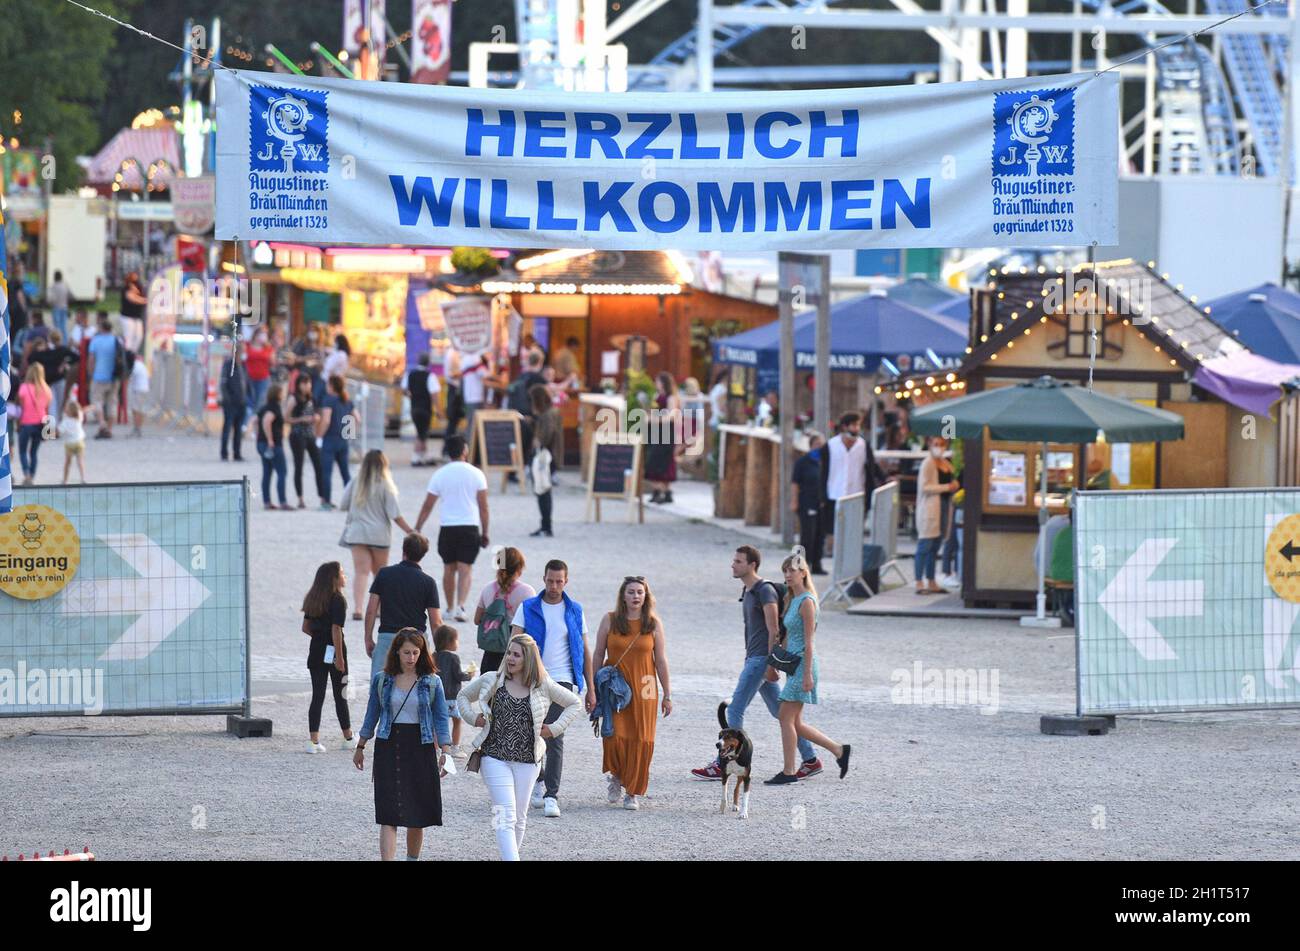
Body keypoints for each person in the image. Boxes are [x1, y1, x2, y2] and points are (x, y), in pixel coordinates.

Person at [690, 546, 822, 781]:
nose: (733, 564)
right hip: (755, 657)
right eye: (734, 560)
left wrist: (771, 665)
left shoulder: (765, 591)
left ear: (752, 565)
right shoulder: (748, 591)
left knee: (735, 708)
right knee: (781, 713)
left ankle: (727, 761)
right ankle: (810, 760)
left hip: (761, 659)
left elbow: (774, 629)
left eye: (738, 561)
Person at [456, 634, 581, 861]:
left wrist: (554, 728)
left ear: (529, 659)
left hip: (528, 761)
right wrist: (473, 718)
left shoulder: (543, 685)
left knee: (520, 818)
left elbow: (574, 702)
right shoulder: (492, 679)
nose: (510, 658)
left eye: (516, 654)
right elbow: (463, 696)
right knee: (504, 814)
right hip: (493, 757)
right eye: (509, 653)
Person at [353, 629, 452, 861]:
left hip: (421, 746)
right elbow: (372, 714)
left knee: (417, 813)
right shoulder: (382, 679)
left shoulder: (432, 681)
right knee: (389, 812)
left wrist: (446, 751)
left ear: (423, 652)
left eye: (416, 652)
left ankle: (412, 859)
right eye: (406, 652)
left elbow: (440, 718)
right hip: (389, 745)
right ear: (397, 651)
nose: (411, 657)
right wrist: (360, 746)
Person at [509, 559, 595, 818]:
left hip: (563, 679)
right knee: (528, 733)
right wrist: (509, 676)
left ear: (566, 581)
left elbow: (584, 650)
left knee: (555, 736)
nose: (554, 585)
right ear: (543, 579)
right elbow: (513, 642)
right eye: (550, 580)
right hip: (531, 678)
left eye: (559, 581)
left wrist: (590, 687)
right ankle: (538, 780)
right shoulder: (528, 607)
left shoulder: (575, 610)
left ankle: (551, 795)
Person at [764, 547, 851, 785]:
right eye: (785, 571)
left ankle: (789, 770)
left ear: (803, 572)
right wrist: (774, 660)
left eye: (792, 570)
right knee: (795, 721)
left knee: (784, 717)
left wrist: (807, 675)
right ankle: (839, 750)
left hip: (804, 665)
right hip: (793, 664)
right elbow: (787, 635)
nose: (788, 575)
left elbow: (810, 641)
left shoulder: (807, 602)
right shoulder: (791, 599)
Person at [592, 576, 672, 811]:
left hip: (646, 686)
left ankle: (632, 791)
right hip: (615, 686)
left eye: (640, 592)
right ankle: (616, 775)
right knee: (613, 735)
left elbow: (661, 660)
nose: (636, 596)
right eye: (631, 592)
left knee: (641, 739)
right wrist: (593, 686)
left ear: (646, 596)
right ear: (623, 595)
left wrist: (667, 694)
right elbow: (598, 653)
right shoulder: (610, 620)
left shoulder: (653, 623)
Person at [414, 434, 489, 623]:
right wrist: (485, 531)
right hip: (470, 526)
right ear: (465, 450)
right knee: (466, 568)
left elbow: (428, 504)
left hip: (448, 526)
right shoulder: (477, 474)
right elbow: (483, 506)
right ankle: (461, 606)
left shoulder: (440, 474)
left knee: (449, 568)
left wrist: (418, 527)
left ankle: (448, 607)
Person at [341, 449, 415, 619]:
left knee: (361, 572)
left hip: (357, 532)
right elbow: (395, 514)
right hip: (379, 534)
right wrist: (410, 531)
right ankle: (379, 609)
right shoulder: (385, 484)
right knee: (380, 574)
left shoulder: (355, 482)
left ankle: (358, 609)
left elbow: (343, 504)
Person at [365, 531, 443, 681]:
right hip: (416, 642)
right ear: (422, 555)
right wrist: (440, 650)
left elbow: (371, 610)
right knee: (418, 686)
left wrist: (368, 638)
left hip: (387, 637)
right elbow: (436, 622)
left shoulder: (384, 574)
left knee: (379, 687)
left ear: (404, 551)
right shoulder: (428, 582)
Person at [301, 561, 355, 754]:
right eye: (342, 573)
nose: (344, 576)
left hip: (316, 650)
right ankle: (348, 736)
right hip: (334, 651)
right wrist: (339, 658)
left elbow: (306, 628)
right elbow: (336, 630)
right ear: (334, 578)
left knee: (318, 695)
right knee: (341, 695)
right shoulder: (338, 600)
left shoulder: (313, 598)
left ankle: (313, 740)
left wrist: (319, 638)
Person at [820, 412, 887, 560]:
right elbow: (823, 471)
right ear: (845, 426)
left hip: (857, 495)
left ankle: (850, 559)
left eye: (858, 425)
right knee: (834, 530)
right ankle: (836, 557)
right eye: (854, 425)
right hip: (834, 494)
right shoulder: (830, 446)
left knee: (854, 531)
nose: (857, 428)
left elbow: (872, 467)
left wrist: (884, 479)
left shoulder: (863, 446)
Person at [473, 546, 535, 673]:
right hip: (515, 649)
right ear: (519, 567)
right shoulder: (526, 591)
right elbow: (533, 624)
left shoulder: (488, 588)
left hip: (491, 648)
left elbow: (477, 619)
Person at [915, 436, 959, 595]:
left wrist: (954, 486)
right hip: (930, 508)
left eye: (941, 444)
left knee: (935, 547)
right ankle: (919, 581)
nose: (938, 447)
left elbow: (953, 478)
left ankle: (931, 580)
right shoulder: (927, 464)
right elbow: (925, 487)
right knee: (924, 545)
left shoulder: (946, 464)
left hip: (944, 506)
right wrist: (947, 487)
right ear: (929, 445)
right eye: (935, 444)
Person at [528, 383, 562, 537]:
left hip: (545, 458)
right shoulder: (551, 412)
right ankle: (545, 525)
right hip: (550, 457)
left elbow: (546, 435)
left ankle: (546, 526)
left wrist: (537, 441)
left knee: (543, 492)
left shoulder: (547, 415)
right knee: (544, 492)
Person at [317, 374, 355, 510]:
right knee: (345, 472)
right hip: (343, 440)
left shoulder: (329, 400)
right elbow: (356, 418)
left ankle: (326, 501)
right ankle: (352, 501)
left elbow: (326, 420)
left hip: (330, 439)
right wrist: (348, 433)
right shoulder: (347, 400)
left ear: (332, 386)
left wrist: (319, 436)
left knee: (326, 472)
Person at [285, 372, 323, 508]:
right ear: (298, 385)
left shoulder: (312, 398)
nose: (307, 386)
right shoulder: (293, 399)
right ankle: (300, 498)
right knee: (299, 467)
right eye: (304, 383)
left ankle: (322, 497)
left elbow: (316, 413)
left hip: (310, 435)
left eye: (309, 383)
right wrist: (301, 419)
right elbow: (286, 418)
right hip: (297, 435)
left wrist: (316, 419)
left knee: (319, 465)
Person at [433, 624, 474, 749]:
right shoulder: (453, 658)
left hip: (436, 697)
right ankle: (455, 746)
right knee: (457, 720)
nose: (458, 643)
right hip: (451, 697)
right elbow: (458, 675)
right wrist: (469, 675)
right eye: (456, 640)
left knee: (436, 723)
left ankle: (435, 748)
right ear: (449, 642)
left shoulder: (433, 656)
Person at [792, 432, 827, 575]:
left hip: (822, 504)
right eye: (817, 444)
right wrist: (794, 501)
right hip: (807, 502)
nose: (820, 447)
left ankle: (817, 564)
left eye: (822, 445)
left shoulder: (825, 462)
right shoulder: (802, 462)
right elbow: (794, 483)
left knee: (820, 535)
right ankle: (802, 565)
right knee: (808, 535)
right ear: (811, 445)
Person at [645, 371, 682, 504]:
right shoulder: (656, 395)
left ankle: (661, 491)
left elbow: (672, 415)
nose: (656, 384)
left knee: (662, 461)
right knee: (653, 460)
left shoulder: (671, 397)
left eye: (658, 381)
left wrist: (655, 419)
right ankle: (663, 492)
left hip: (666, 431)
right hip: (655, 431)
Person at [85, 316, 121, 439]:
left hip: (99, 376)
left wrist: (90, 374)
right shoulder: (117, 340)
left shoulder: (96, 340)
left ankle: (102, 424)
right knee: (112, 402)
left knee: (96, 401)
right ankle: (109, 430)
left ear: (101, 328)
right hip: (114, 376)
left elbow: (91, 359)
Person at [16, 363, 52, 486]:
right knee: (34, 452)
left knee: (22, 451)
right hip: (40, 425)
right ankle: (32, 475)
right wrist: (49, 432)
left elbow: (20, 408)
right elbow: (48, 411)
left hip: (26, 423)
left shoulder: (24, 388)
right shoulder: (47, 389)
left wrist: (18, 423)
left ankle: (26, 475)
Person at [29, 330, 77, 422]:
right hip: (58, 379)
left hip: (47, 380)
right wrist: (65, 363)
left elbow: (31, 359)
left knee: (51, 406)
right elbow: (76, 357)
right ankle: (58, 426)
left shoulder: (47, 351)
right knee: (60, 404)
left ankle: (52, 429)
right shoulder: (62, 350)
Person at [403, 352, 440, 467]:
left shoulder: (410, 374)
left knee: (422, 432)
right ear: (428, 363)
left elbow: (404, 389)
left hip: (414, 407)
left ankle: (423, 455)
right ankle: (416, 457)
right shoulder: (430, 376)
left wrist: (413, 396)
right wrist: (438, 410)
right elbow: (434, 394)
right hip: (425, 408)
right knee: (422, 433)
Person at [257, 383, 290, 511]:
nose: (283, 395)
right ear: (277, 394)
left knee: (267, 472)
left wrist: (258, 435)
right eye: (282, 393)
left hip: (261, 443)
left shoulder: (264, 407)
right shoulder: (274, 407)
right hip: (273, 444)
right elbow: (266, 421)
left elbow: (255, 421)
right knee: (282, 472)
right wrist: (270, 439)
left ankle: (267, 501)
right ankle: (282, 501)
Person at [219, 344, 249, 462]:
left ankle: (237, 453)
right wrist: (228, 399)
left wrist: (247, 397)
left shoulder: (243, 366)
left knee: (238, 429)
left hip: (241, 402)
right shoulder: (228, 365)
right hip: (230, 403)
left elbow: (245, 382)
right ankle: (224, 453)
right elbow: (223, 383)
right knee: (227, 428)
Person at [242, 326, 275, 430]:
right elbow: (242, 359)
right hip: (249, 378)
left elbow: (273, 364)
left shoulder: (268, 348)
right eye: (261, 333)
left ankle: (256, 426)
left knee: (260, 403)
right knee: (249, 401)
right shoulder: (247, 345)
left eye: (265, 334)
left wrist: (272, 358)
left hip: (263, 378)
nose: (263, 336)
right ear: (255, 335)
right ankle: (245, 423)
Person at [459, 351, 489, 436]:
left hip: (469, 397)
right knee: (473, 426)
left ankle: (469, 447)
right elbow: (485, 374)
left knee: (470, 424)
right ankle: (470, 447)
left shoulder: (465, 358)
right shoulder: (475, 358)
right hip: (476, 397)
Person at [59, 399, 87, 485]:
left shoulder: (65, 421)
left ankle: (65, 480)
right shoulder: (79, 418)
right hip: (79, 442)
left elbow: (60, 431)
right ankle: (82, 478)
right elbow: (82, 411)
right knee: (80, 461)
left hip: (69, 444)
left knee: (67, 463)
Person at [119, 272, 147, 353]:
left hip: (137, 317)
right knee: (129, 338)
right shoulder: (126, 289)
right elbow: (133, 299)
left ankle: (133, 354)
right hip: (127, 317)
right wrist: (145, 301)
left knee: (139, 336)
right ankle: (128, 354)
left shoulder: (139, 288)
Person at [128, 351, 149, 437]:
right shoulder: (141, 365)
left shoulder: (135, 365)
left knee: (136, 410)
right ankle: (138, 428)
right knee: (139, 409)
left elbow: (130, 377)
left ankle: (137, 428)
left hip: (138, 390)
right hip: (143, 389)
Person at [48, 270, 71, 339]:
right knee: (63, 327)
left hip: (56, 308)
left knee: (57, 327)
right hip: (64, 308)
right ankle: (65, 342)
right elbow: (69, 296)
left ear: (54, 277)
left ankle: (57, 341)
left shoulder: (53, 286)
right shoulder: (65, 285)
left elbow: (51, 299)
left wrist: (50, 304)